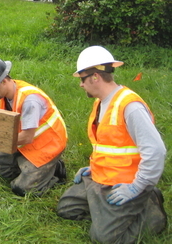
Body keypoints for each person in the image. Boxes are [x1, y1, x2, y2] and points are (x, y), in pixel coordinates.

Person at [57, 46, 167, 244]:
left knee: (104, 238)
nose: (81, 85)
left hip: (126, 182)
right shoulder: (101, 102)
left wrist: (137, 186)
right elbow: (111, 145)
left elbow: (156, 151)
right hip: (102, 177)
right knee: (66, 208)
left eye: (82, 79)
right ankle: (106, 209)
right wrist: (93, 167)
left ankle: (151, 211)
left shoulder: (130, 106)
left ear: (95, 77)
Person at [0, 56, 68, 196]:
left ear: (4, 81)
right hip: (21, 145)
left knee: (22, 189)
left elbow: (26, 137)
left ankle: (54, 171)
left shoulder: (30, 100)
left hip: (46, 146)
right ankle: (30, 168)